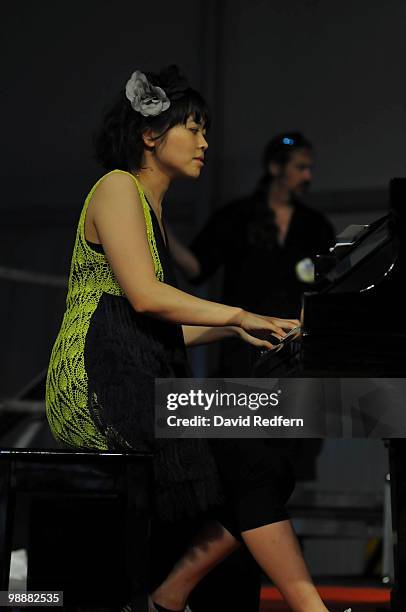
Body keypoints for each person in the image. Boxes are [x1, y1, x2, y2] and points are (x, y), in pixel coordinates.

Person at [45, 66, 345, 612]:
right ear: (150, 134)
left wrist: (252, 323)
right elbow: (144, 298)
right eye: (194, 128)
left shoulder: (153, 208)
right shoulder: (117, 187)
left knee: (271, 463)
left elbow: (167, 325)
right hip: (97, 386)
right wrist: (235, 312)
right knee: (255, 454)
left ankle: (171, 595)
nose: (206, 142)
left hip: (138, 375)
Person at [167, 132, 336, 375]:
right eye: (300, 168)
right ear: (275, 167)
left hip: (298, 350)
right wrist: (160, 225)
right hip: (243, 350)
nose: (308, 176)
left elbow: (328, 285)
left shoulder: (316, 225)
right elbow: (197, 268)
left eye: (310, 168)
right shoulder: (235, 217)